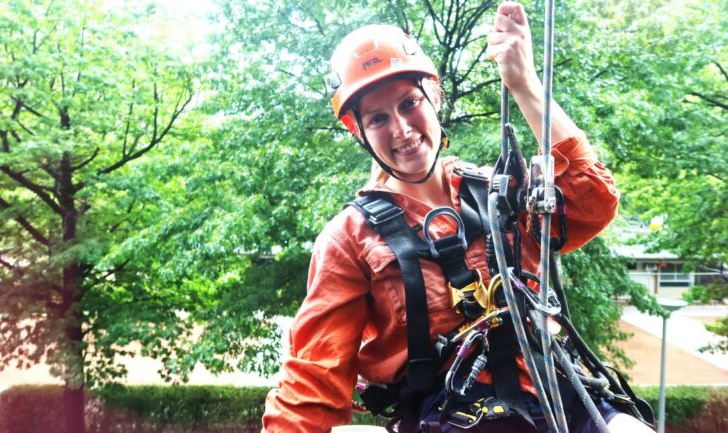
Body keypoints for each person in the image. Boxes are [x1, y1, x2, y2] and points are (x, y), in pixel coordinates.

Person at [262, 2, 654, 432]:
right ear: (359, 132)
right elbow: (314, 375)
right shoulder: (351, 239)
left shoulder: (499, 194)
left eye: (410, 103)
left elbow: (591, 202)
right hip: (452, 417)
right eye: (377, 119)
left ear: (434, 98)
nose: (401, 129)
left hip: (560, 399)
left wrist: (524, 84)